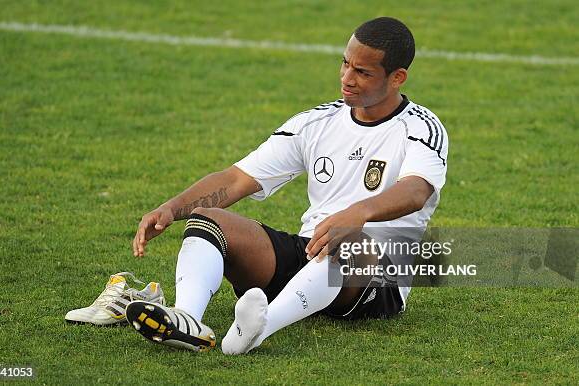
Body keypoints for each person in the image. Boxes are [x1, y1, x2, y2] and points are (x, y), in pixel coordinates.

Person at [126, 16, 448, 354]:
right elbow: (237, 178)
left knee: (347, 238)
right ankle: (186, 321)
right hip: (309, 256)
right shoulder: (316, 122)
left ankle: (262, 327)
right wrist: (171, 208)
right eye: (345, 64)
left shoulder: (421, 127)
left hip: (376, 277)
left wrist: (358, 213)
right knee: (209, 219)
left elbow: (416, 190)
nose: (346, 79)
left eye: (363, 72)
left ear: (397, 78)